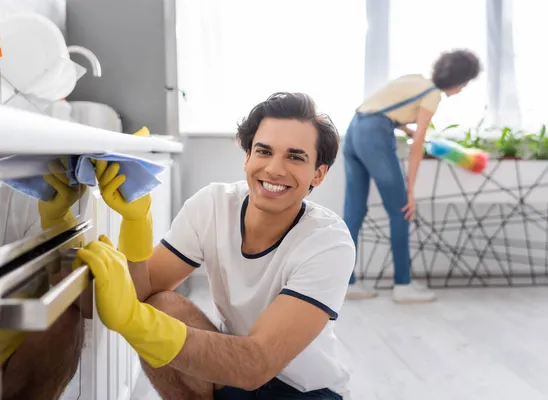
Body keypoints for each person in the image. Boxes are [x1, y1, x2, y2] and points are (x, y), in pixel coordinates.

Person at [81, 92, 355, 399]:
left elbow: (256, 364)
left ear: (318, 173)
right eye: (263, 151)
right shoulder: (213, 205)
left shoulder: (328, 242)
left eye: (295, 157)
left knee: (154, 321)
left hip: (304, 391)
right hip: (229, 377)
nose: (274, 169)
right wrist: (135, 225)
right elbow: (141, 293)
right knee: (164, 307)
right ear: (247, 158)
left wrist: (134, 322)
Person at [343, 49, 481, 302]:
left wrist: (404, 127)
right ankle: (403, 285)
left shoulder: (414, 79)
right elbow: (417, 146)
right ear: (458, 81)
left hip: (353, 131)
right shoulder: (432, 95)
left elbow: (378, 108)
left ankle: (347, 283)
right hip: (374, 137)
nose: (461, 90)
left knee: (353, 211)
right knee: (401, 210)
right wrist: (410, 192)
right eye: (464, 84)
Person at [0, 161, 86, 400]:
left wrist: (59, 222)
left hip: (13, 320)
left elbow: (83, 302)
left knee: (64, 317)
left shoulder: (34, 180)